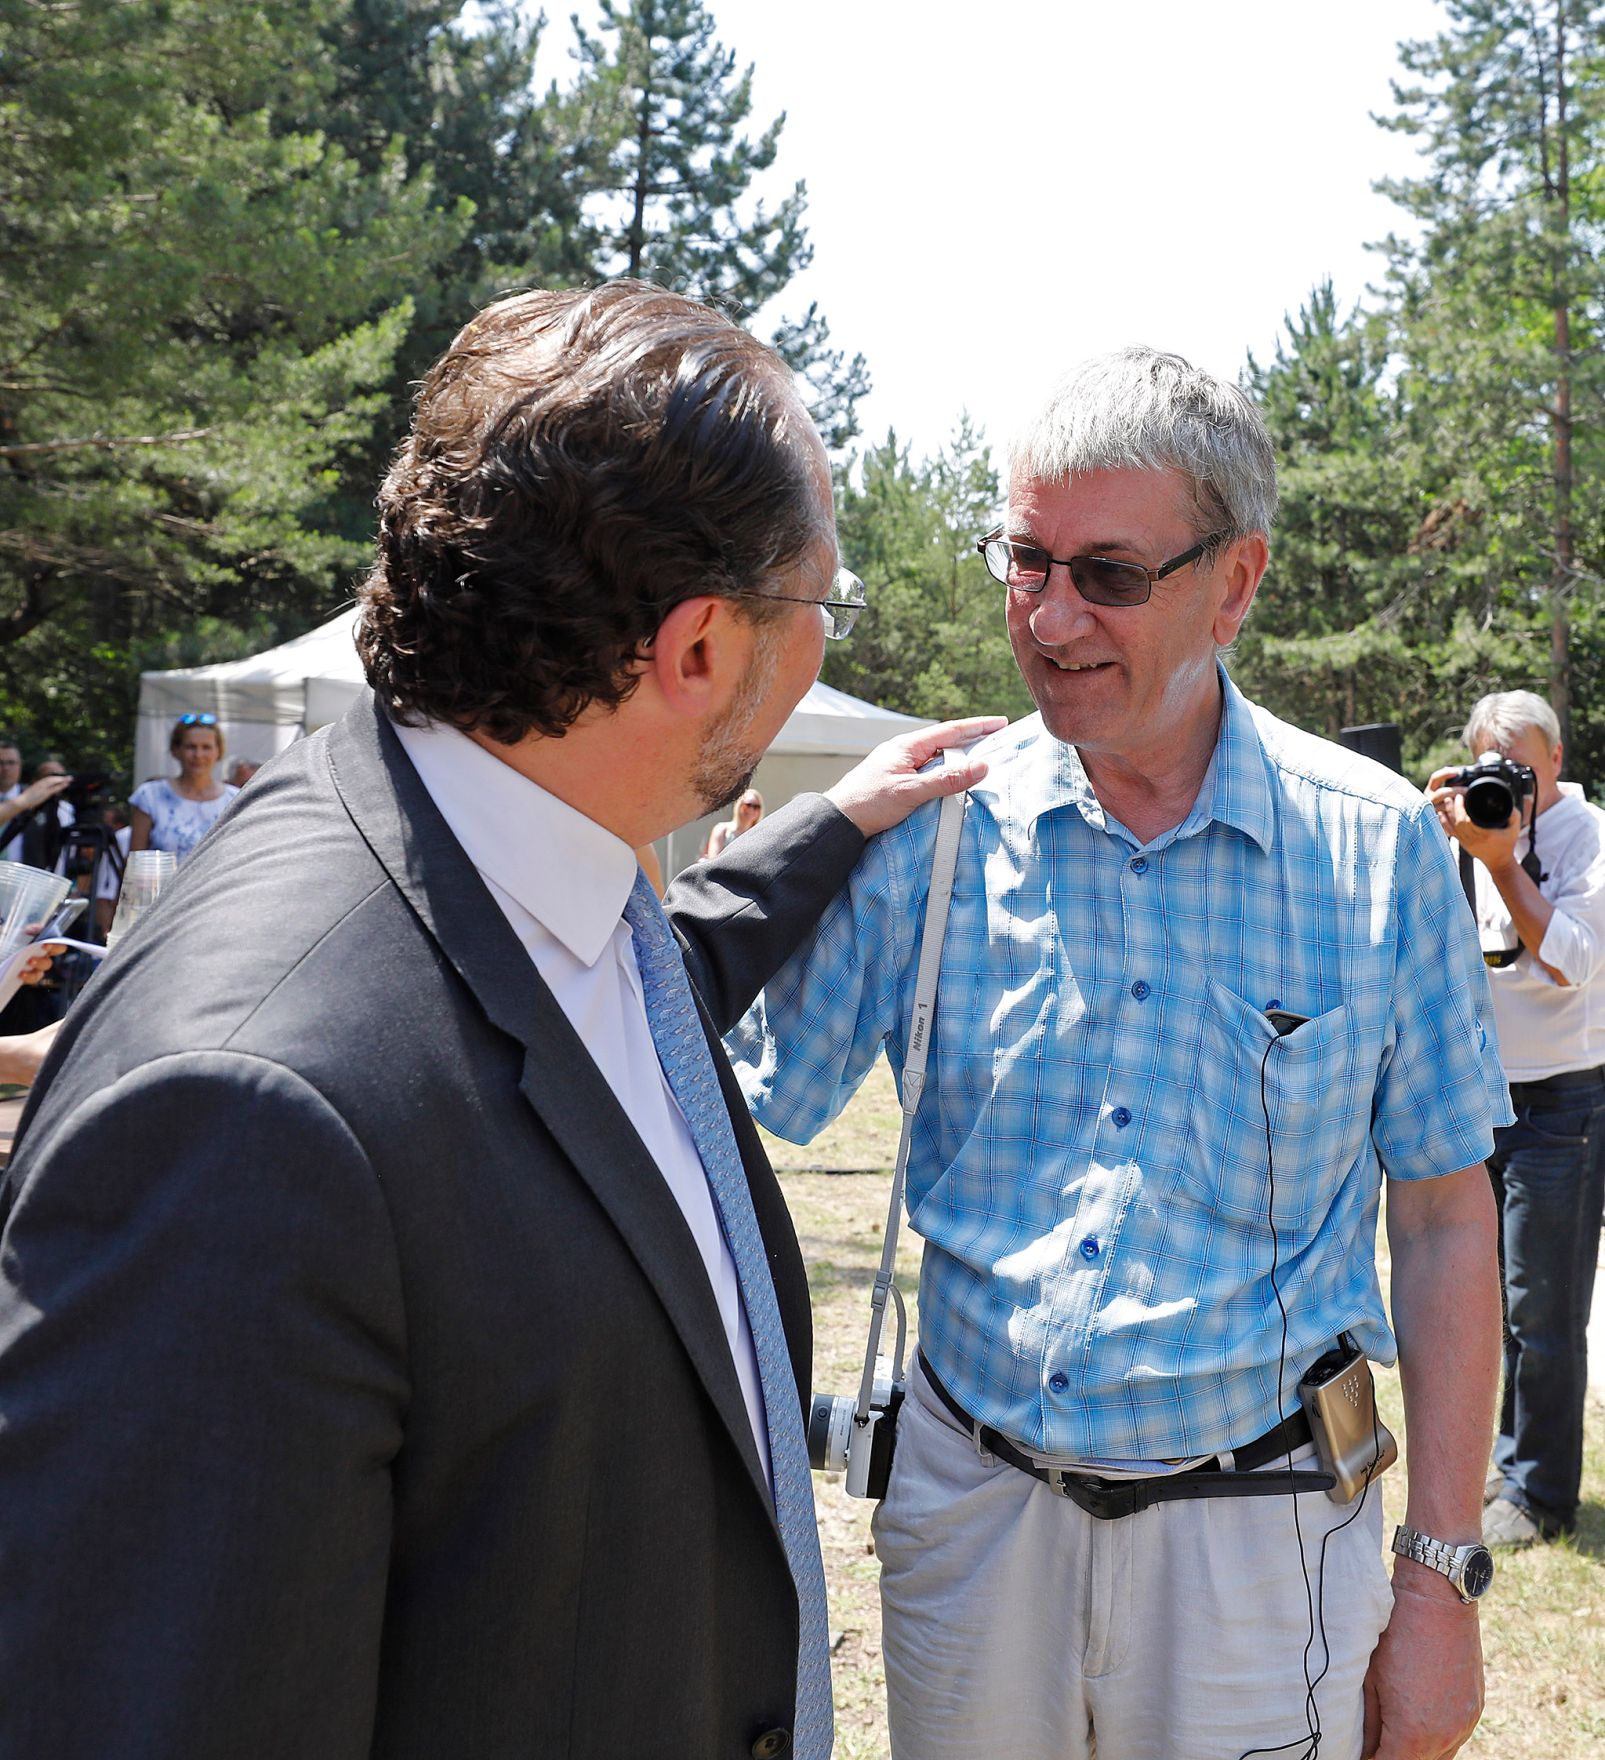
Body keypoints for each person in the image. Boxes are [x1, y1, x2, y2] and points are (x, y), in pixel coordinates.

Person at [0, 280, 990, 1760]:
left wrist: (835, 821)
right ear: (699, 649)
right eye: (820, 604)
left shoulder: (515, 864)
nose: (819, 652)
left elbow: (604, 1033)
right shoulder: (250, 1118)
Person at [692, 348, 1509, 1760]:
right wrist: (767, 868)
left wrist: (1438, 1583)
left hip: (1256, 1549)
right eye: (1025, 561)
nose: (1050, 615)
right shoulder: (933, 833)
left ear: (1235, 582)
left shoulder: (1375, 853)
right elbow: (736, 1097)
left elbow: (1442, 1221)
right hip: (975, 1524)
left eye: (1108, 575)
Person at [1428, 691, 1605, 1550]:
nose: (1513, 791)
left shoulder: (1589, 837)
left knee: (1544, 1307)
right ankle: (1507, 1468)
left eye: (1524, 772)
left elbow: (1571, 961)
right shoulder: (1471, 829)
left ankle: (1540, 1496)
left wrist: (1501, 862)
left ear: (1556, 761)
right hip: (1481, 1094)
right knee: (1488, 1298)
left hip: (1562, 1098)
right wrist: (1436, 835)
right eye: (1496, 773)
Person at [130, 711, 238, 862]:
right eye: (190, 747)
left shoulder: (235, 799)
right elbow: (134, 864)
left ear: (218, 752)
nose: (198, 755)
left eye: (206, 747)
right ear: (176, 750)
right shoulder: (150, 796)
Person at [704, 786, 765, 858]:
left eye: (756, 807)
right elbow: (713, 858)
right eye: (748, 805)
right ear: (739, 805)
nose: (751, 810)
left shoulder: (759, 836)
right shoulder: (722, 830)